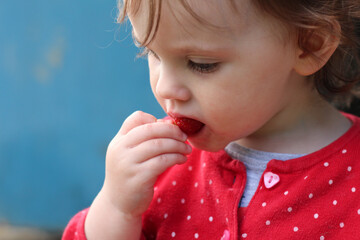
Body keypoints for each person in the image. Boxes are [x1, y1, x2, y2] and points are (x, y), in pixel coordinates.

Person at [62, 0, 360, 239]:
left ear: (311, 45)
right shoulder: (157, 171)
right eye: (151, 52)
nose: (164, 87)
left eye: (201, 64)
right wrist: (117, 209)